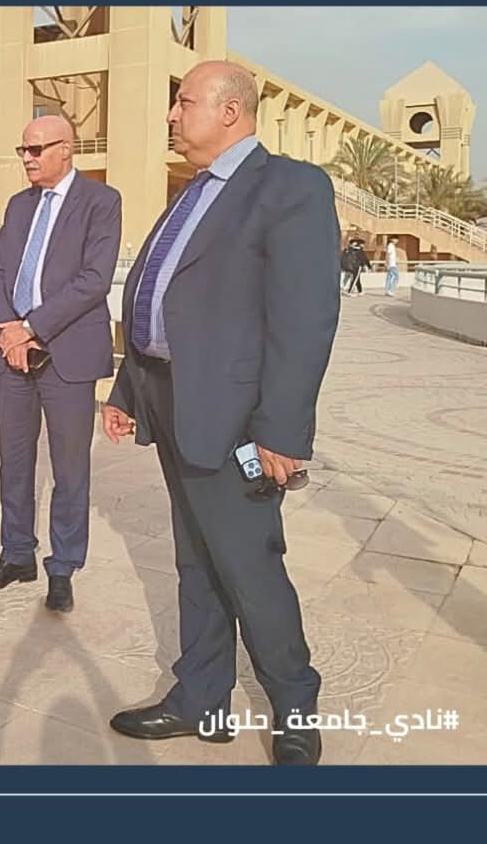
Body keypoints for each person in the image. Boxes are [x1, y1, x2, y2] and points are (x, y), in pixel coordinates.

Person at [101, 61, 340, 766]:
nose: (172, 115)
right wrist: (128, 390)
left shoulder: (290, 187)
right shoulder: (194, 191)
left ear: (230, 112)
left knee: (249, 567)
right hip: (171, 401)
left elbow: (304, 319)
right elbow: (160, 299)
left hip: (236, 419)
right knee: (197, 562)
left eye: (184, 102)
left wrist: (282, 431)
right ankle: (201, 700)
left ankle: (295, 709)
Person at [0, 115, 121, 613]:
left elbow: (94, 280)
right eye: (24, 150)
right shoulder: (19, 205)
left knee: (70, 467)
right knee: (14, 461)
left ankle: (63, 566)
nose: (28, 158)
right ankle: (16, 555)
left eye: (36, 150)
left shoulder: (101, 202)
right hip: (14, 354)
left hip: (66, 354)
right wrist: (8, 328)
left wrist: (30, 327)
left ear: (66, 149)